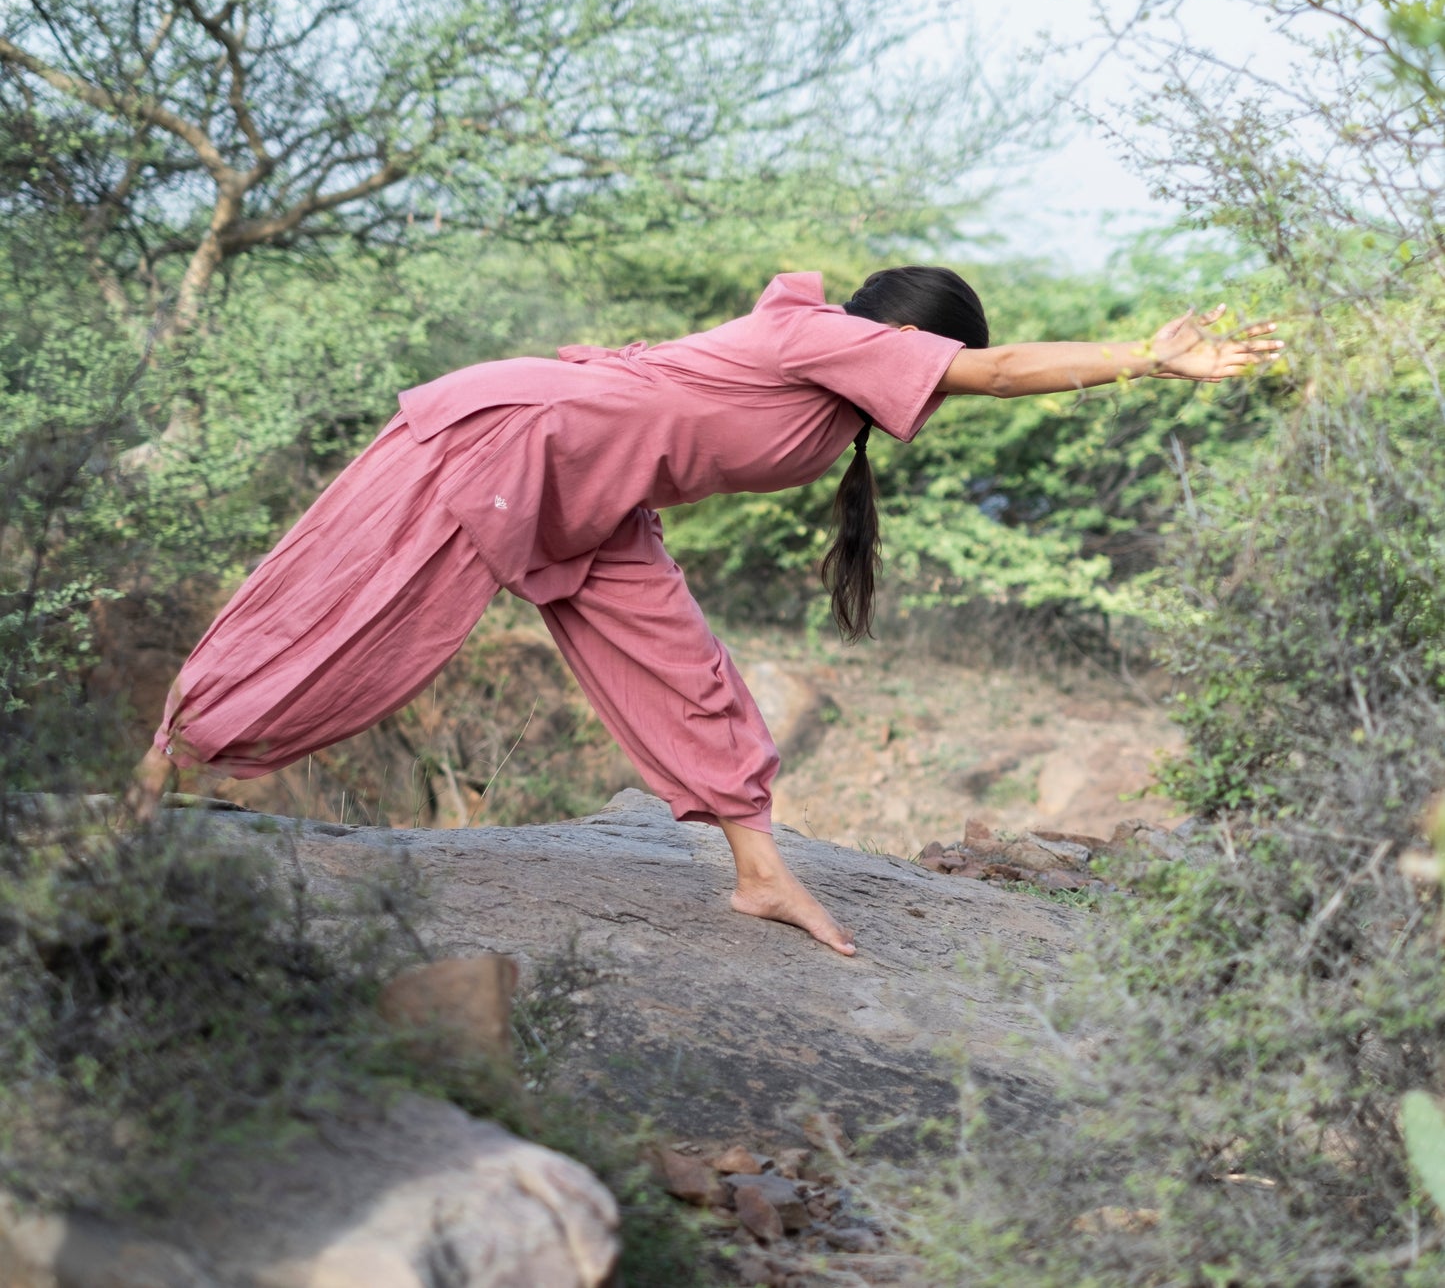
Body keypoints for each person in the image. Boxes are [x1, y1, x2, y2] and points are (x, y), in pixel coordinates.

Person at [127, 267, 1281, 955]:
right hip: (518, 435)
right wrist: (1143, 356)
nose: (930, 383)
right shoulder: (812, 333)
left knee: (687, 669)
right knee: (359, 608)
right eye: (931, 363)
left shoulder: (836, 404)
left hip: (598, 492)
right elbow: (996, 368)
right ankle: (161, 769)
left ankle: (757, 870)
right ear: (906, 338)